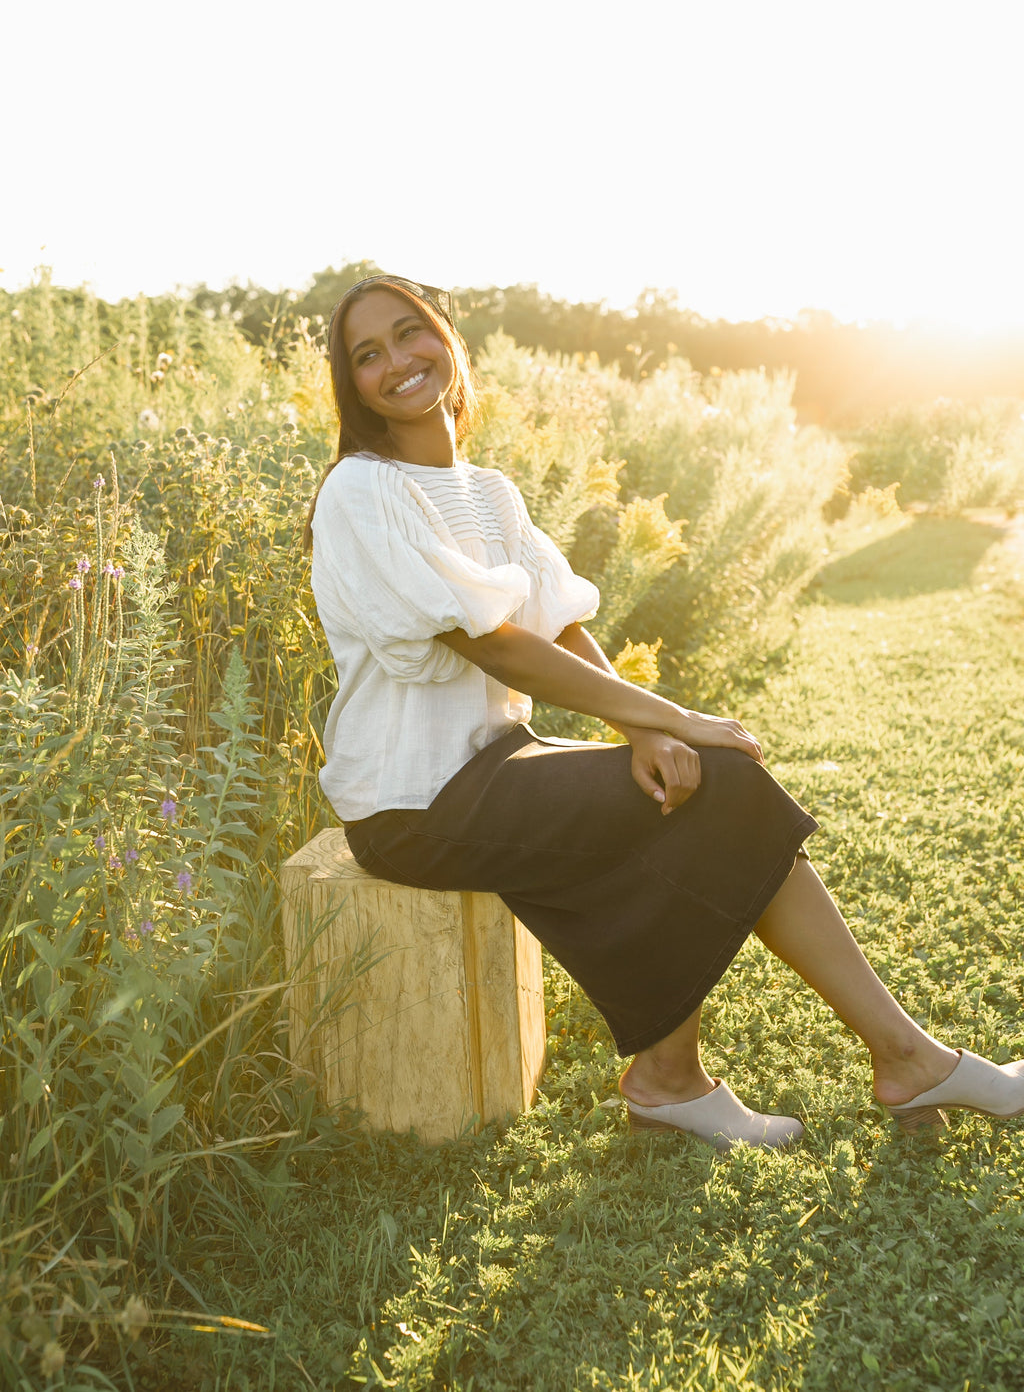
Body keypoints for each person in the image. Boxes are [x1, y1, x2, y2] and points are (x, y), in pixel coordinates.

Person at [304, 273, 1024, 1152]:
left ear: (446, 336)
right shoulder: (361, 491)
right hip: (411, 803)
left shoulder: (488, 491)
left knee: (696, 780)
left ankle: (709, 1076)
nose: (396, 361)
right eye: (367, 354)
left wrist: (646, 728)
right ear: (352, 385)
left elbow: (560, 622)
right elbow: (496, 645)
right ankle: (821, 1066)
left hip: (493, 761)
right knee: (717, 779)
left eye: (409, 331)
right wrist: (675, 715)